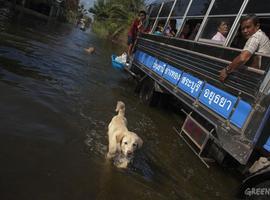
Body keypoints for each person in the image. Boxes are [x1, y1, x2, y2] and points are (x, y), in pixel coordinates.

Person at [219, 14, 270, 82]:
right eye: (243, 28)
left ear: (257, 26)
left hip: (256, 79)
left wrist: (226, 70)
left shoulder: (255, 37)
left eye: (248, 27)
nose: (245, 31)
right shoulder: (261, 35)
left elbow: (243, 58)